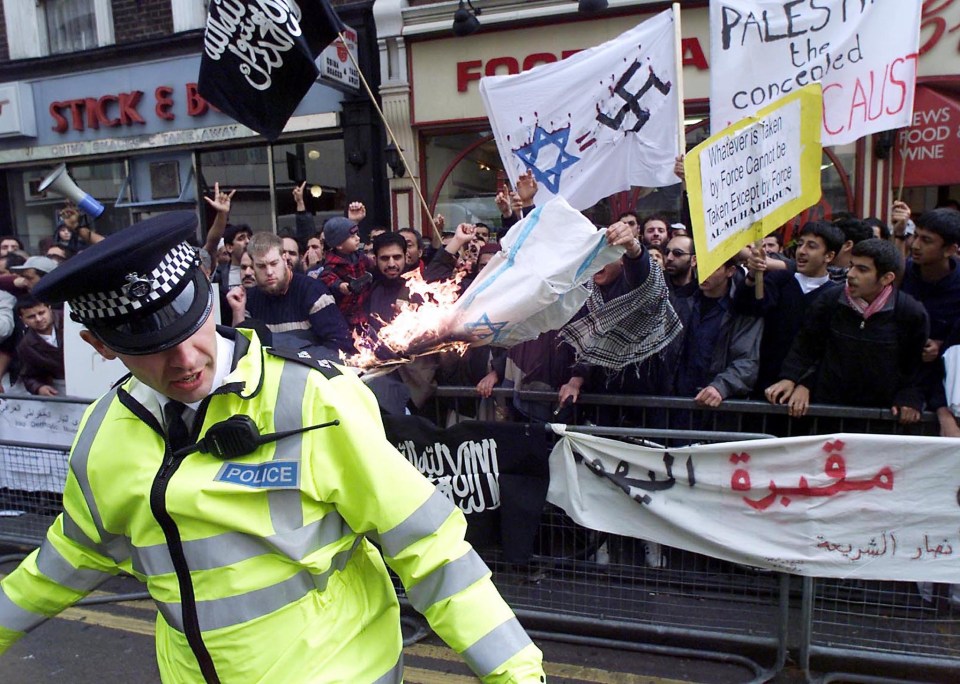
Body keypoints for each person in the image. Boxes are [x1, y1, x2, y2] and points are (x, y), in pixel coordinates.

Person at [0, 212, 545, 682]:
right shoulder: (102, 435)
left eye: (194, 328)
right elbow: (72, 555)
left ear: (209, 303)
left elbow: (429, 548)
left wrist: (516, 672)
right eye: (153, 349)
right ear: (98, 344)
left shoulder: (315, 397)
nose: (187, 360)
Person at [766, 238, 929, 422]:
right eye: (852, 266)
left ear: (886, 278)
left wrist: (910, 396)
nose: (851, 274)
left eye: (862, 269)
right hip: (828, 413)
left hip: (881, 419)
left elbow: (916, 366)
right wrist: (794, 379)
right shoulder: (830, 301)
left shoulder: (909, 312)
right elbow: (806, 347)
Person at [733, 221, 844, 395]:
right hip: (767, 385)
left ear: (829, 256)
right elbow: (748, 306)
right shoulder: (780, 280)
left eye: (811, 246)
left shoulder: (836, 295)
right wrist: (753, 276)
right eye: (800, 244)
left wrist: (806, 383)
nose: (802, 251)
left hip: (808, 394)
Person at [229, 232, 352, 358]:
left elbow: (341, 345)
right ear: (253, 267)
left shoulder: (312, 291)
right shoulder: (250, 299)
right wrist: (238, 311)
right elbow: (241, 352)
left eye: (274, 263)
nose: (269, 272)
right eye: (261, 266)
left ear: (284, 259)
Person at [320, 215, 371, 331]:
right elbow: (326, 277)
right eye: (352, 236)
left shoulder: (360, 256)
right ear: (339, 244)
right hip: (343, 313)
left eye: (357, 235)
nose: (358, 238)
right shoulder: (332, 264)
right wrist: (340, 285)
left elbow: (370, 265)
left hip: (362, 308)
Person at [14, 295, 65, 396]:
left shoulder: (70, 320)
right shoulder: (26, 346)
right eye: (31, 316)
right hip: (61, 387)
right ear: (22, 319)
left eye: (41, 313)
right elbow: (29, 376)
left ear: (49, 308)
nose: (38, 319)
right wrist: (39, 388)